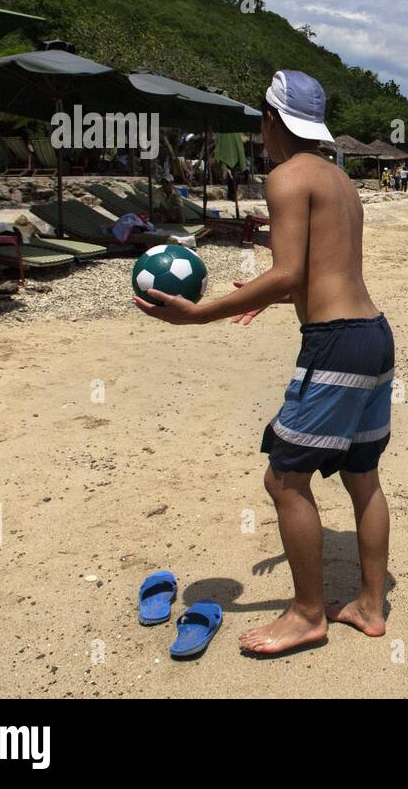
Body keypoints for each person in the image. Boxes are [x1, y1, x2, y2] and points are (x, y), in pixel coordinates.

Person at [135, 69, 393, 654]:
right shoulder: (340, 181)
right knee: (362, 475)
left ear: (270, 120)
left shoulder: (284, 177)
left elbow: (291, 272)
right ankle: (370, 605)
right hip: (374, 336)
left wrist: (199, 314)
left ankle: (307, 615)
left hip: (334, 344)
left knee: (284, 477)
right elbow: (324, 272)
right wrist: (272, 295)